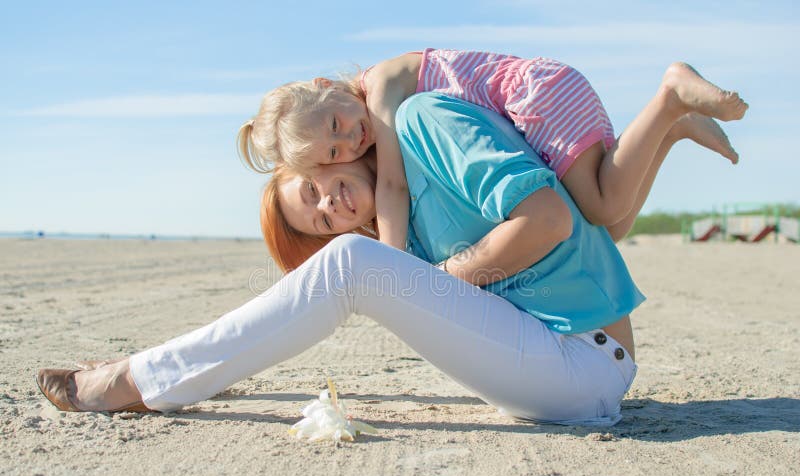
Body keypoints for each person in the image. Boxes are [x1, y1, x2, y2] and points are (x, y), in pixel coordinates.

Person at [36, 93, 739, 425]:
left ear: (324, 149)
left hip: (584, 361)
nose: (330, 206)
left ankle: (142, 377)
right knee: (353, 264)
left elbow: (552, 218)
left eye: (311, 186)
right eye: (315, 219)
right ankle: (185, 373)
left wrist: (446, 280)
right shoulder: (406, 223)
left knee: (351, 266)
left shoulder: (426, 122)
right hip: (562, 361)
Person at [238, 48, 747, 255]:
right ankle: (671, 129)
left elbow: (392, 184)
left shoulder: (382, 90)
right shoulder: (363, 115)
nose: (351, 141)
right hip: (530, 113)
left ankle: (670, 96)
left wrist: (391, 270)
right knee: (610, 229)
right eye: (333, 152)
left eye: (336, 125)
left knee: (603, 205)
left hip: (536, 96)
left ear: (328, 85)